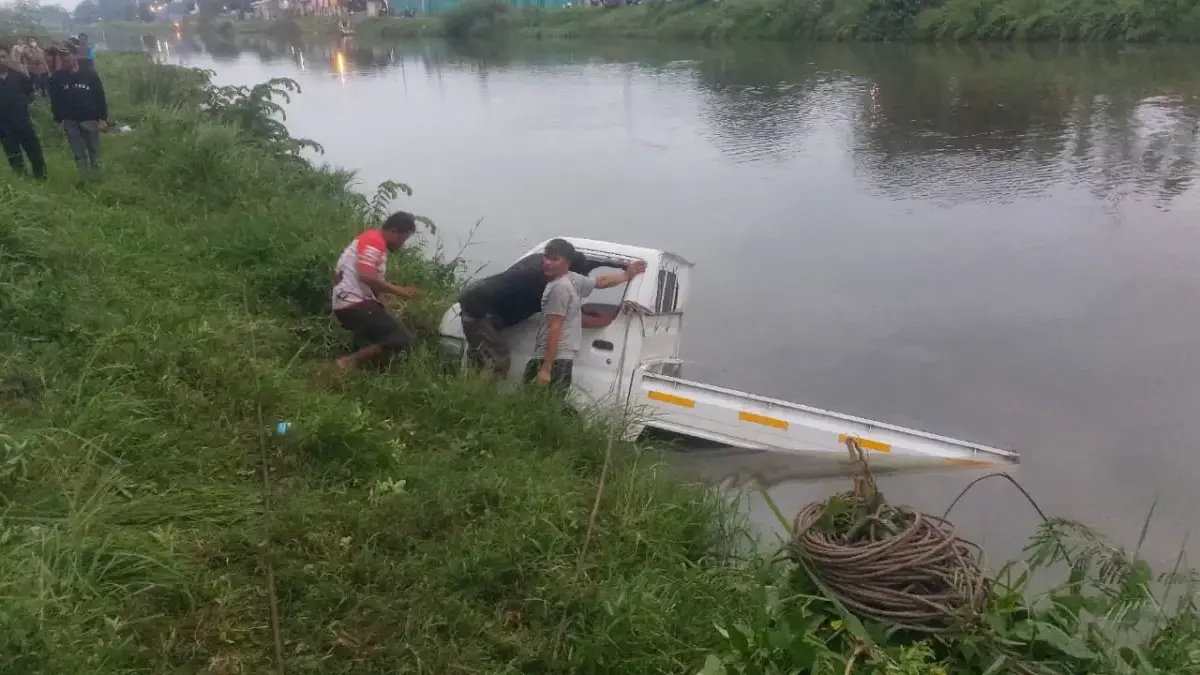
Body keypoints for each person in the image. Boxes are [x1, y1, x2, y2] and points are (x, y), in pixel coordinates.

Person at [458, 245, 633, 378]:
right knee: (496, 362)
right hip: (480, 309)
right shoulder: (543, 282)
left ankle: (470, 386)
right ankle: (475, 401)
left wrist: (623, 269)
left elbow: (594, 273)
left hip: (481, 300)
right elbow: (559, 319)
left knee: (479, 359)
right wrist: (547, 367)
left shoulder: (549, 263)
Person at [526, 238, 646, 393]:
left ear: (567, 262)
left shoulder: (559, 288)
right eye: (546, 257)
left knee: (529, 402)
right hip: (563, 359)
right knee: (550, 403)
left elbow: (555, 326)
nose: (547, 263)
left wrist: (546, 368)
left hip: (549, 358)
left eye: (554, 259)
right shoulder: (571, 279)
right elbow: (600, 282)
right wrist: (626, 275)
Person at [332, 212, 422, 373]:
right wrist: (402, 291)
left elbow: (343, 276)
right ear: (394, 231)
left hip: (349, 302)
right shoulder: (374, 241)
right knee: (399, 338)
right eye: (403, 239)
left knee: (390, 337)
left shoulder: (370, 240)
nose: (402, 245)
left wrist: (385, 309)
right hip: (353, 303)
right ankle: (345, 364)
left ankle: (368, 373)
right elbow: (366, 276)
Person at [49, 48, 107, 182]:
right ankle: (84, 180)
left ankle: (97, 178)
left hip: (90, 119)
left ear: (75, 55)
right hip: (70, 121)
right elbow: (55, 101)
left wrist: (103, 118)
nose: (65, 58)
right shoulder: (57, 77)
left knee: (94, 150)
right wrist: (58, 121)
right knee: (78, 154)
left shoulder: (90, 75)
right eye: (62, 56)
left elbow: (99, 96)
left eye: (67, 55)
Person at [0, 46, 46, 180]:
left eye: (3, 57)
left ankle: (41, 177)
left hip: (23, 121)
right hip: (4, 126)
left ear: (8, 58)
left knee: (34, 150)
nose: (1, 60)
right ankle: (21, 179)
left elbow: (30, 93)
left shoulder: (19, 77)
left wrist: (22, 105)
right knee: (13, 155)